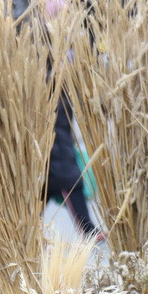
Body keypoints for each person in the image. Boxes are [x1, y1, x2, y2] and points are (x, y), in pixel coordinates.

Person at [47, 96, 98, 236]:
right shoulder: (50, 83)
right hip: (57, 153)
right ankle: (88, 229)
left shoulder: (56, 83)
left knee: (69, 183)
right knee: (70, 183)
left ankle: (88, 228)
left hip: (60, 148)